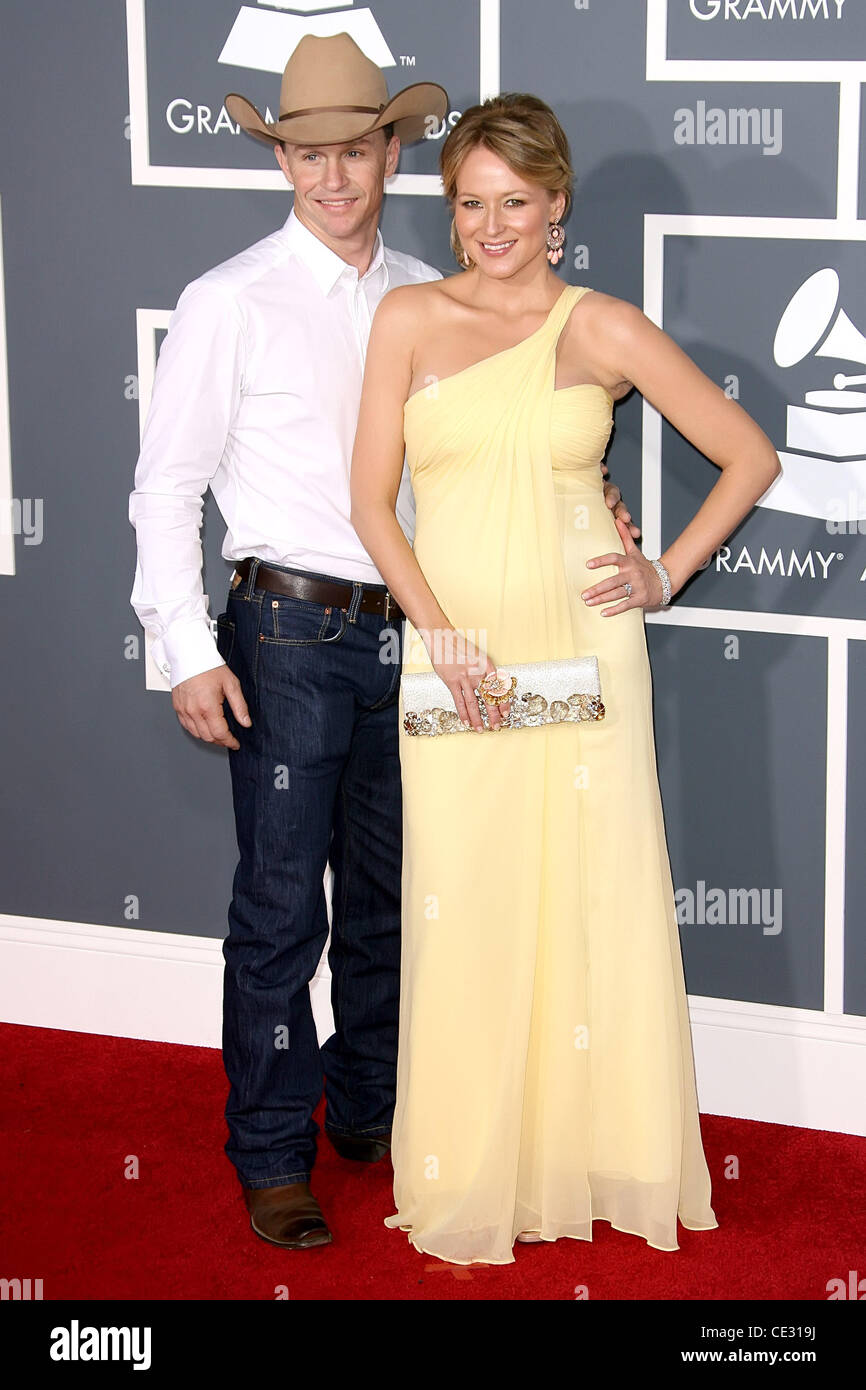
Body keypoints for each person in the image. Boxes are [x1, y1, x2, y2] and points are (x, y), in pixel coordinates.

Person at [129, 40, 636, 1253]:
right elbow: (165, 488)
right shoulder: (227, 299)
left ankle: (366, 1113)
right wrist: (186, 648)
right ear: (282, 160)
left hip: (420, 636)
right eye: (309, 153)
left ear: (392, 152)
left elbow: (481, 460)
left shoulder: (427, 284)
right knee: (277, 907)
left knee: (390, 902)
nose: (333, 174)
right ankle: (269, 1154)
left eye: (355, 149)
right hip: (287, 631)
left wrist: (591, 508)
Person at [349, 92, 781, 1265]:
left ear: (555, 207)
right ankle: (473, 1169)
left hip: (585, 655)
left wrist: (664, 570)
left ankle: (598, 1159)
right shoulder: (405, 319)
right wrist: (435, 633)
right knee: (464, 903)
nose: (490, 227)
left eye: (515, 204)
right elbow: (369, 506)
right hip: (459, 656)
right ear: (450, 208)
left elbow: (749, 454)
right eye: (469, 204)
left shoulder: (598, 327)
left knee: (591, 896)